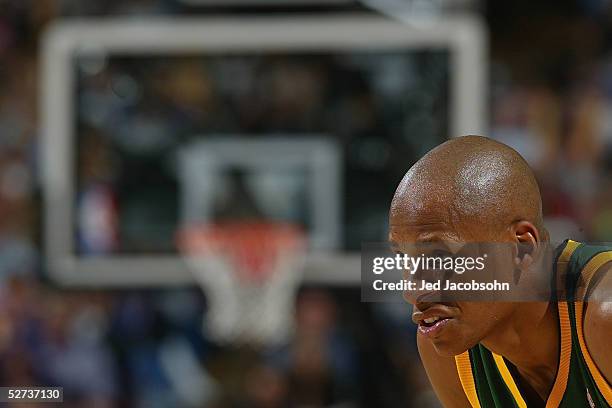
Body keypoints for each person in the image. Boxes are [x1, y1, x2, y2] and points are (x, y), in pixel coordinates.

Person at [388, 136, 612, 407]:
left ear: (522, 248)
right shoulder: (447, 349)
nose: (412, 291)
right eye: (403, 257)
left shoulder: (603, 315)